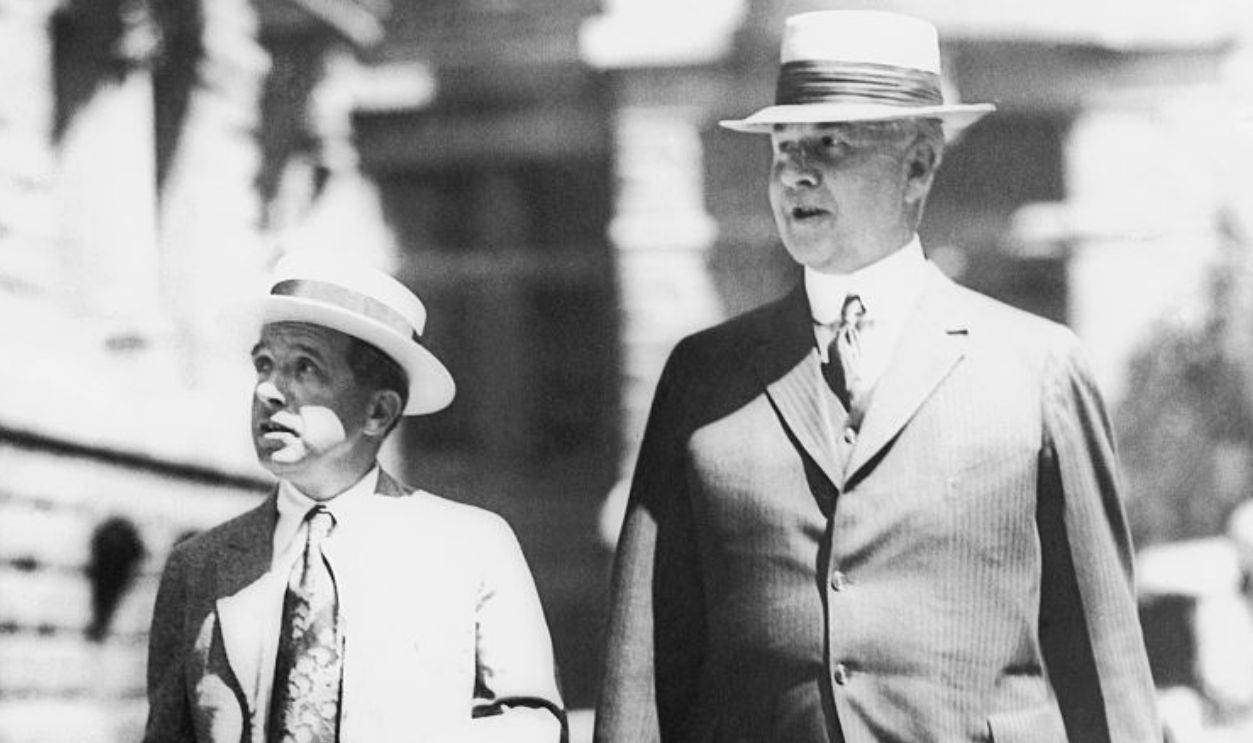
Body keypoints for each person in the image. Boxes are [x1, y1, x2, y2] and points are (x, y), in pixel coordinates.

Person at [595, 10, 1159, 743]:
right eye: (782, 147)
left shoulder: (1036, 368)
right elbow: (641, 666)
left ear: (918, 165)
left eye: (829, 143)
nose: (796, 171)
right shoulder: (706, 378)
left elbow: (1105, 668)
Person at [143, 253, 565, 743]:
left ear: (379, 411)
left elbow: (534, 726)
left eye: (304, 367)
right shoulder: (199, 567)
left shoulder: (473, 546)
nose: (268, 392)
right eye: (264, 364)